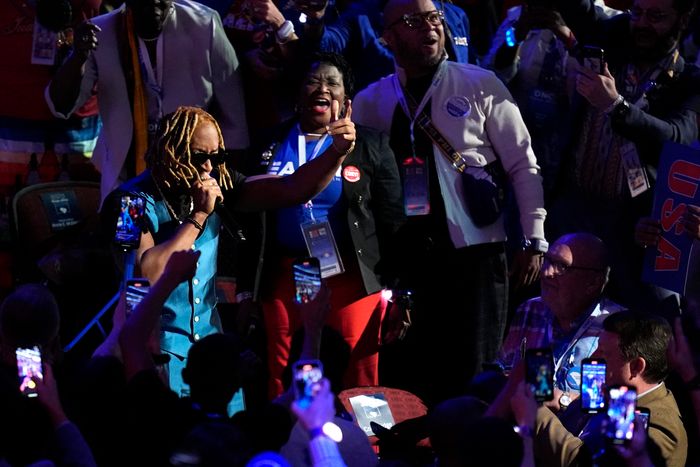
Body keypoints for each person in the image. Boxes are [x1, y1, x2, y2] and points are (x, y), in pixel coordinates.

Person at [351, 0, 547, 404]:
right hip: (407, 262)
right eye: (413, 21)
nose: (430, 27)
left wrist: (534, 238)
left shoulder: (480, 84)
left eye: (434, 17)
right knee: (411, 376)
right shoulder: (371, 101)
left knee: (474, 376)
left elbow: (524, 167)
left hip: (475, 255)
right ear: (387, 37)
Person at [107, 104, 355, 398]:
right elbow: (146, 274)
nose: (210, 167)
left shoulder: (217, 184)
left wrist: (337, 151)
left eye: (217, 157)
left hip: (213, 352)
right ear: (171, 151)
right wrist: (198, 217)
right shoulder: (129, 202)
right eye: (200, 157)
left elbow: (293, 189)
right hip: (156, 354)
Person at [238, 51, 404, 398]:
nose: (322, 89)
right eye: (313, 81)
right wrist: (245, 289)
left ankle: (364, 447)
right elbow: (250, 221)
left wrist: (400, 291)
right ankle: (287, 439)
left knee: (358, 372)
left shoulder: (371, 144)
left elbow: (393, 224)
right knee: (282, 368)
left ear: (346, 100)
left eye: (332, 83)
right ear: (298, 94)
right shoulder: (269, 143)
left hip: (350, 276)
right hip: (285, 274)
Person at [545, 0, 700, 314]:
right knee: (554, 318)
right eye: (638, 12)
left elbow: (675, 136)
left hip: (637, 227)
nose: (642, 24)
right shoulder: (611, 39)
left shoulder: (690, 82)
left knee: (654, 322)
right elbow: (580, 9)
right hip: (574, 210)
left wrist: (616, 106)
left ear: (682, 19)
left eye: (656, 16)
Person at [46, 0, 250, 202]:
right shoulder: (101, 31)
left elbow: (234, 117)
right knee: (128, 234)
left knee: (188, 233)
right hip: (124, 179)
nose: (153, 2)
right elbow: (61, 105)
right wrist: (78, 58)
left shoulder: (204, 24)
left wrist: (226, 187)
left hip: (193, 178)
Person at [533, 311, 688, 467]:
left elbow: (585, 463)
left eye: (604, 353)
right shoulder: (615, 392)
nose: (592, 357)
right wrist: (562, 400)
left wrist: (535, 413)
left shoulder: (660, 427)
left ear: (636, 367)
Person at [496, 233, 626, 412]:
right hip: (525, 425)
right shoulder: (530, 310)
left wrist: (562, 400)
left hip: (579, 436)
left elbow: (621, 405)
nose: (546, 272)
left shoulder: (618, 326)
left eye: (562, 267)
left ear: (594, 282)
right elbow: (503, 370)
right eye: (548, 261)